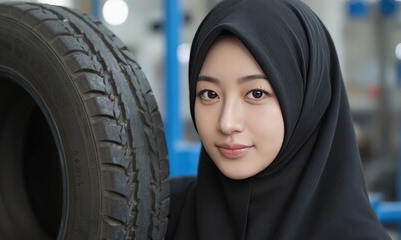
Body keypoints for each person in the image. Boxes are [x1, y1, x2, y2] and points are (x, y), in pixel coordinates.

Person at [166, 0, 391, 239]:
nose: (227, 123)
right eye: (209, 94)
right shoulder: (155, 213)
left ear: (307, 101)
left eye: (256, 93)